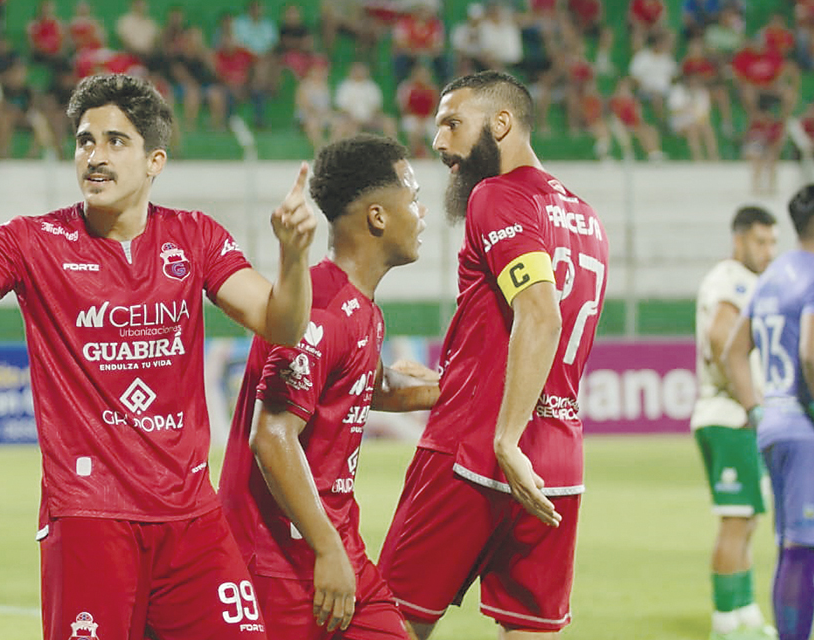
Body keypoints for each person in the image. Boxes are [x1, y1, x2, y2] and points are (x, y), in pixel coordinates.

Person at [0, 73, 317, 640]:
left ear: (154, 161)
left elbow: (281, 322)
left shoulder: (194, 237)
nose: (94, 156)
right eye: (84, 141)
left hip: (192, 516)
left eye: (116, 141)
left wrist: (294, 257)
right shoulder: (31, 241)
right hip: (89, 514)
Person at [379, 70, 610, 639]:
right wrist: (460, 375)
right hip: (556, 459)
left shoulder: (497, 195)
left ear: (501, 122)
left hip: (477, 450)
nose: (438, 143)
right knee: (529, 631)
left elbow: (540, 312)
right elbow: (524, 330)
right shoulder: (584, 215)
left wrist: (504, 438)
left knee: (390, 621)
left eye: (452, 123)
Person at [218, 134, 437, 640]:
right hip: (278, 562)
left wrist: (460, 390)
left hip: (336, 546)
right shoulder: (315, 312)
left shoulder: (360, 308)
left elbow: (371, 386)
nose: (422, 211)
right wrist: (327, 550)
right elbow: (271, 436)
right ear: (378, 216)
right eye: (412, 194)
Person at [723, 185, 814, 640]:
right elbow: (812, 351)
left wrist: (758, 409)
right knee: (803, 545)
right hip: (805, 426)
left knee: (790, 542)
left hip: (775, 425)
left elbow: (734, 349)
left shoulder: (775, 275)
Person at [693, 205, 779, 640]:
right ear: (739, 240)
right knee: (734, 520)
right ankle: (725, 621)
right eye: (761, 241)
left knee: (746, 518)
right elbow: (720, 337)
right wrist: (753, 404)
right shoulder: (731, 280)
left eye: (772, 242)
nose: (769, 250)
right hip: (728, 414)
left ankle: (744, 609)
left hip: (734, 416)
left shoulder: (749, 282)